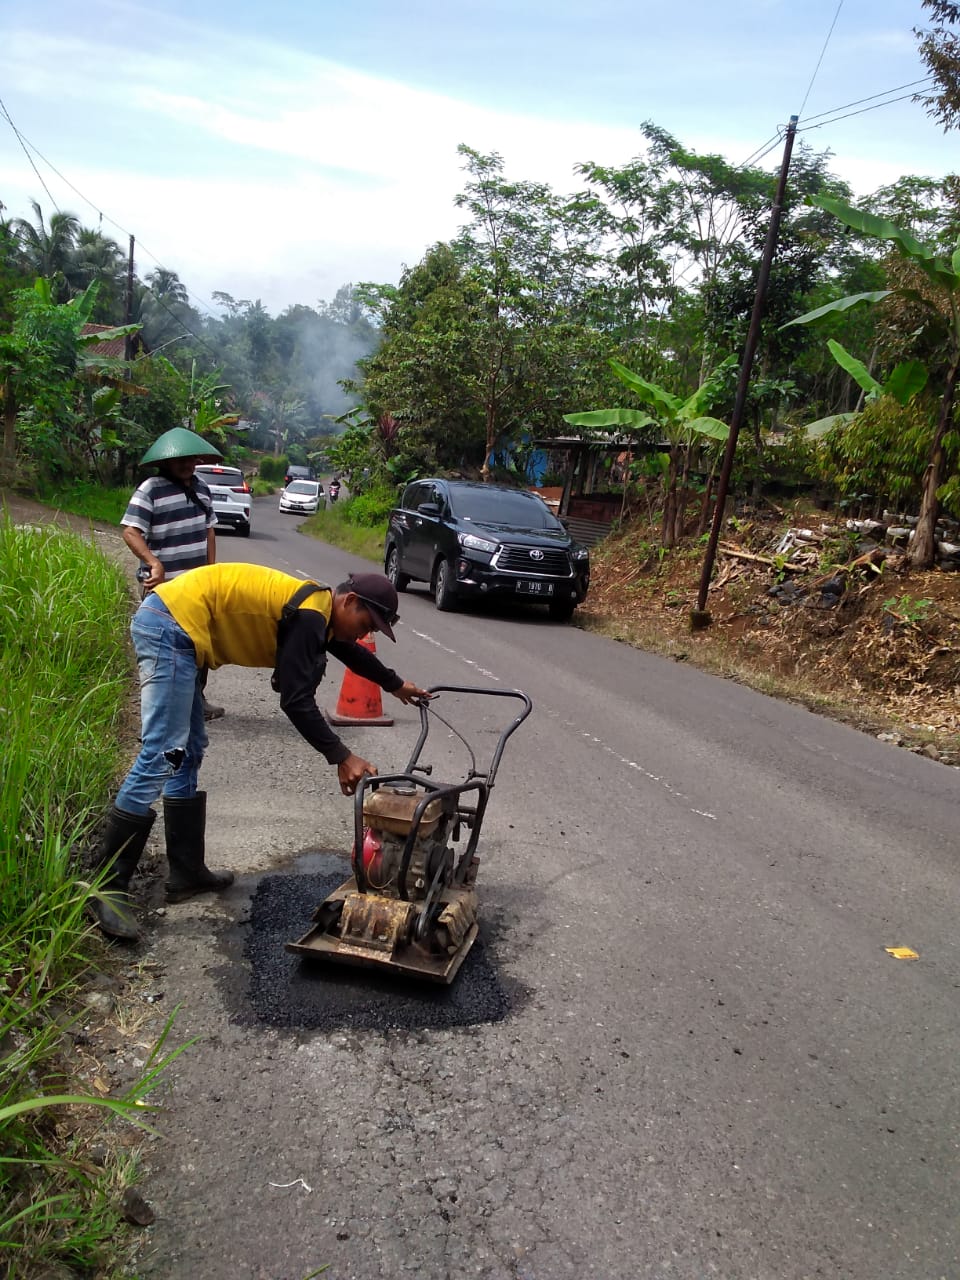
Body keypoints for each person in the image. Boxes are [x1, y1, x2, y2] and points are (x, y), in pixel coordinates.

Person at [90, 565, 430, 941]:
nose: (366, 634)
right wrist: (342, 756)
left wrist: (396, 684)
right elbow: (296, 701)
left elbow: (349, 652)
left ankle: (185, 871)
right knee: (163, 753)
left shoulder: (321, 614)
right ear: (349, 601)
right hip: (170, 625)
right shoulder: (309, 615)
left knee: (187, 751)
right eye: (367, 623)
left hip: (178, 626)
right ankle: (107, 887)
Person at [121, 426, 225, 721]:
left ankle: (196, 702)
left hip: (196, 586)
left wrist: (210, 572)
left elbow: (210, 531)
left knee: (200, 645)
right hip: (163, 588)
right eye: (181, 459)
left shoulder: (203, 489)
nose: (187, 464)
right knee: (161, 648)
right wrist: (153, 562)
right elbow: (130, 531)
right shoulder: (150, 489)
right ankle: (156, 710)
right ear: (165, 461)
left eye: (192, 459)